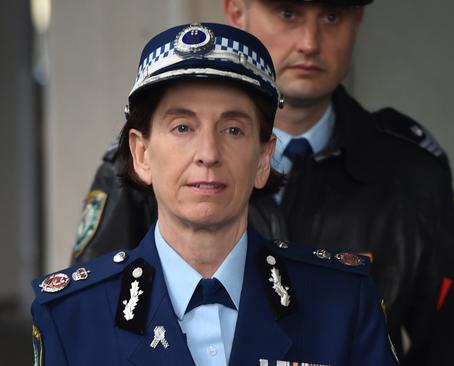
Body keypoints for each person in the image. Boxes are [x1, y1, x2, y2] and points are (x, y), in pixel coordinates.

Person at [72, 1, 454, 364]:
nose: (310, 42)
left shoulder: (410, 172)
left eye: (333, 16)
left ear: (359, 20)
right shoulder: (148, 168)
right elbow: (92, 323)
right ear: (237, 12)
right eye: (287, 13)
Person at [32, 22, 398, 366]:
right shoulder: (71, 316)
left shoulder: (343, 302)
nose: (208, 152)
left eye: (233, 129)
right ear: (142, 154)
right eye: (182, 127)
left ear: (263, 159)